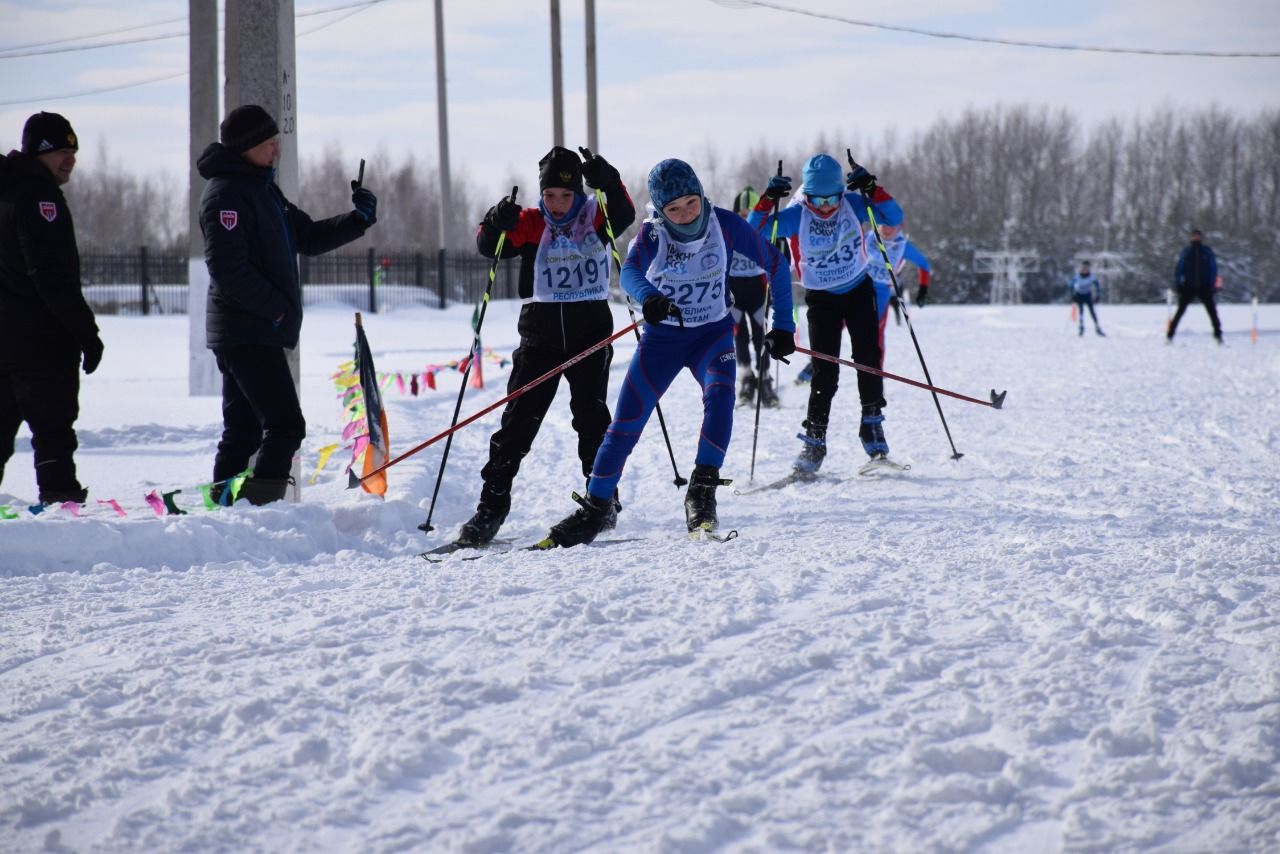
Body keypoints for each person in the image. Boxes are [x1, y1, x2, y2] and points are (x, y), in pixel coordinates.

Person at [544, 158, 795, 546]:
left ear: (701, 195)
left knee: (721, 398)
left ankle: (702, 492)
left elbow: (776, 266)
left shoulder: (724, 224)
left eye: (691, 203)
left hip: (712, 335)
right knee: (627, 421)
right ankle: (596, 508)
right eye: (673, 209)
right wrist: (649, 298)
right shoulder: (652, 234)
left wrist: (783, 327)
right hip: (664, 339)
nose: (684, 214)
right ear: (660, 211)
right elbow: (629, 273)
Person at [449, 146, 635, 545]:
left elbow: (625, 213)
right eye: (550, 195)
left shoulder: (594, 215)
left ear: (579, 194)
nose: (558, 204)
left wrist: (610, 180)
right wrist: (494, 222)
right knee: (517, 422)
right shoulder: (531, 222)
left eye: (566, 196)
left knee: (591, 419)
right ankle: (491, 507)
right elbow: (488, 244)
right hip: (541, 336)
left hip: (590, 332)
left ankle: (603, 499)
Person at [199, 104, 378, 505]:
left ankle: (221, 510)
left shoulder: (262, 188)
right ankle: (262, 510)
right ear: (245, 148)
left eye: (276, 143)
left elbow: (308, 237)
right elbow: (229, 270)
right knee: (285, 424)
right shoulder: (227, 194)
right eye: (268, 144)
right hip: (246, 331)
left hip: (255, 330)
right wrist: (277, 308)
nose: (276, 152)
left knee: (243, 431)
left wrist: (356, 220)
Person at [748, 153, 904, 474]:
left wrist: (872, 188)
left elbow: (893, 216)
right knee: (824, 371)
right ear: (806, 195)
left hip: (859, 289)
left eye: (831, 197)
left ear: (841, 192)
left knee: (868, 359)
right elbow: (756, 231)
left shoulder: (852, 204)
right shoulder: (796, 215)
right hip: (821, 298)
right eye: (816, 199)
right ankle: (814, 441)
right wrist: (767, 200)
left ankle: (872, 427)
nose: (824, 206)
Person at [0, 111, 103, 504]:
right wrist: (86, 333)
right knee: (54, 433)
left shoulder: (7, 190)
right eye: (61, 151)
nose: (70, 159)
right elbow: (51, 274)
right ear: (38, 152)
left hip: (6, 339)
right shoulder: (38, 196)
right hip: (39, 342)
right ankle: (63, 513)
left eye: (73, 151)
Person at [728, 185, 777, 407]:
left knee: (760, 334)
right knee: (739, 334)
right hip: (735, 288)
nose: (746, 220)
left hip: (758, 287)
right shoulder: (728, 232)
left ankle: (765, 378)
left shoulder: (763, 231)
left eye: (751, 215)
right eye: (742, 215)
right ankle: (746, 377)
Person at [1168, 229, 1223, 344]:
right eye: (1194, 236)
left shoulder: (1206, 251)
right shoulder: (1187, 252)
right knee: (1179, 312)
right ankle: (1170, 335)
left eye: (1198, 236)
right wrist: (1178, 284)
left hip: (1204, 287)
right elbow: (1179, 269)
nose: (1196, 238)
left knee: (1212, 313)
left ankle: (1218, 335)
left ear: (1201, 238)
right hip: (1188, 287)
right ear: (1190, 238)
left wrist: (1212, 285)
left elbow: (1213, 268)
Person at [1069, 259, 1105, 337]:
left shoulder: (1092, 277)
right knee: (1081, 311)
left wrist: (1098, 295)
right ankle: (1081, 328)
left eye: (1087, 268)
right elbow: (1071, 286)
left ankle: (1097, 328)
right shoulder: (1077, 276)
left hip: (1087, 295)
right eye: (1083, 268)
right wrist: (1073, 295)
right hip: (1079, 295)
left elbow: (1097, 286)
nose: (1085, 269)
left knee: (1092, 312)